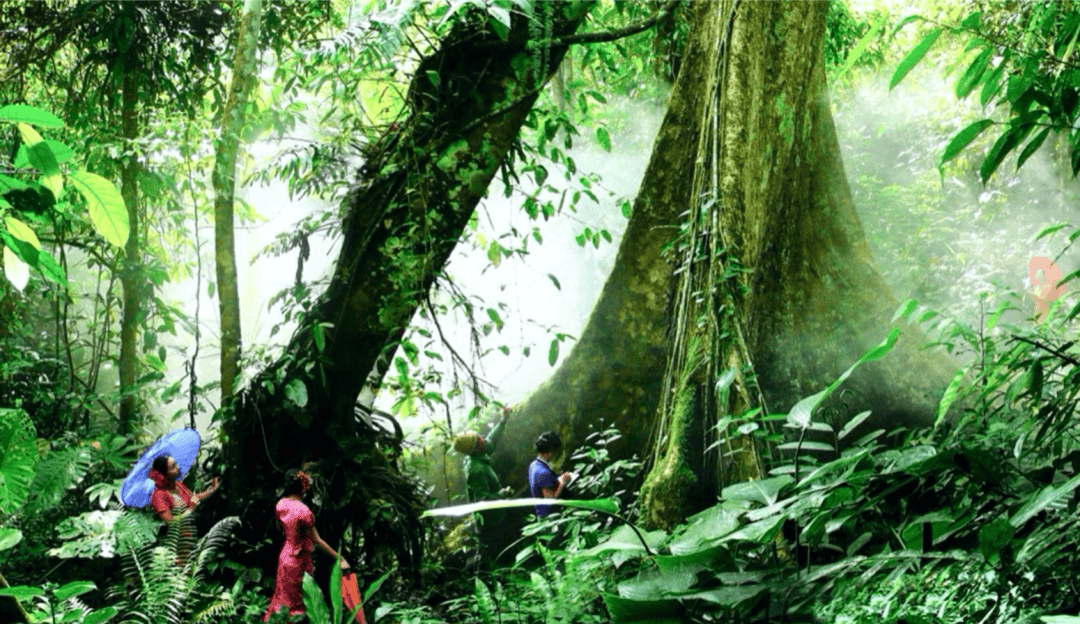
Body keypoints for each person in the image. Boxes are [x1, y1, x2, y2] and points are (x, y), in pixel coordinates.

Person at [263, 469, 351, 622]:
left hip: (285, 556)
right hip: (299, 560)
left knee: (282, 600)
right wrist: (339, 557)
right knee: (298, 605)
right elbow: (317, 540)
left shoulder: (281, 504)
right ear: (303, 486)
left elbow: (282, 528)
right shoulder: (304, 512)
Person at [453, 407, 509, 502]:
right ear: (475, 448)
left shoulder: (478, 454)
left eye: (478, 436)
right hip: (492, 516)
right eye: (479, 439)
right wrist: (502, 494)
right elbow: (482, 500)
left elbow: (491, 439)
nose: (483, 438)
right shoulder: (476, 470)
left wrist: (503, 421)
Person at [148, 455, 220, 523]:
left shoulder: (178, 484)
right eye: (173, 467)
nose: (177, 467)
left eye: (175, 464)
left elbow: (194, 498)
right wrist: (190, 510)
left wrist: (212, 489)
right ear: (163, 475)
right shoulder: (158, 496)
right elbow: (170, 521)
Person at [528, 431, 571, 517]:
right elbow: (550, 500)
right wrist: (562, 482)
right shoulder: (544, 473)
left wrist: (557, 479)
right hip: (550, 518)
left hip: (539, 513)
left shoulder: (534, 465)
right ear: (552, 451)